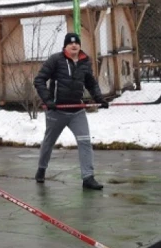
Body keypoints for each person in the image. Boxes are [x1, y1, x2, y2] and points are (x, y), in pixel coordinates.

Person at [33, 33, 108, 190]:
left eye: (76, 43)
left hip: (77, 112)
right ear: (65, 46)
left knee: (85, 141)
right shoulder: (56, 60)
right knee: (49, 142)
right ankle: (41, 169)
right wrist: (48, 100)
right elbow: (39, 80)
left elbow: (91, 83)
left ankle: (88, 177)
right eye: (70, 44)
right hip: (57, 111)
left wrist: (99, 98)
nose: (74, 46)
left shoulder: (85, 62)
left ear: (79, 46)